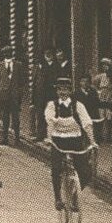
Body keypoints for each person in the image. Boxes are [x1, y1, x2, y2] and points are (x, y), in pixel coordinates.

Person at [44, 80, 98, 210]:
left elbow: (86, 124)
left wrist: (92, 141)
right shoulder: (52, 105)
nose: (63, 93)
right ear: (57, 91)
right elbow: (50, 123)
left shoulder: (77, 106)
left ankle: (75, 197)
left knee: (86, 172)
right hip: (58, 141)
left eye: (66, 90)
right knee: (56, 169)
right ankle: (58, 198)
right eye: (60, 90)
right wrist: (49, 138)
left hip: (75, 141)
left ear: (70, 91)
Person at [0, 53, 22, 145]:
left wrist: (19, 91)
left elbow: (22, 79)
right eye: (5, 52)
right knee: (5, 117)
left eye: (9, 51)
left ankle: (17, 139)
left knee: (16, 118)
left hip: (14, 95)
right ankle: (5, 138)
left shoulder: (18, 64)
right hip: (4, 96)